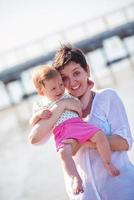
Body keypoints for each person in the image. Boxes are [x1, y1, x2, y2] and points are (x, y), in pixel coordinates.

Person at [29, 44, 134, 200]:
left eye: (76, 73)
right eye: (64, 78)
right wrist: (62, 106)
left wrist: (82, 141)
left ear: (87, 70)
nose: (72, 83)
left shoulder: (106, 97)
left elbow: (125, 142)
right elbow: (34, 139)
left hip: (122, 190)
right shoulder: (56, 109)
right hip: (84, 195)